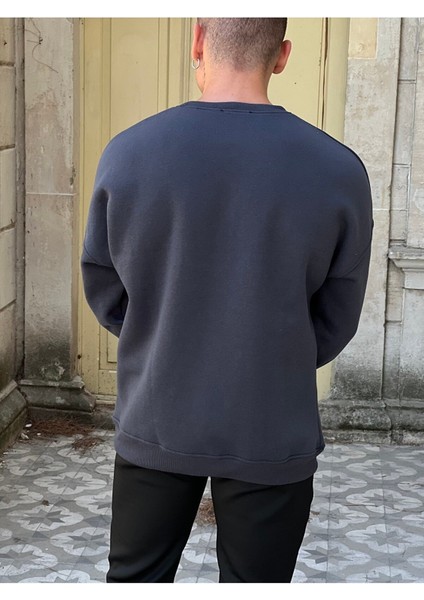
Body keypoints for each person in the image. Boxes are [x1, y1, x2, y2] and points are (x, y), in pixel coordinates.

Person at [80, 18, 373, 583]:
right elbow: (339, 313)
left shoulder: (129, 153)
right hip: (272, 419)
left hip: (157, 411)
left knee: (136, 581)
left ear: (197, 40)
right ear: (282, 55)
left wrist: (163, 336)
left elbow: (104, 283)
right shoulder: (339, 170)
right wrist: (278, 355)